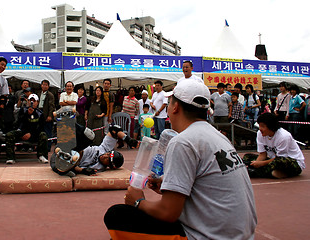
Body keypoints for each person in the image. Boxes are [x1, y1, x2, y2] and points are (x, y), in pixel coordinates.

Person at [104, 80, 257, 239]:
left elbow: (168, 212)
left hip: (209, 236)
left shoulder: (182, 141)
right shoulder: (217, 136)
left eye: (169, 104)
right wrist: (166, 183)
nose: (168, 109)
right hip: (241, 234)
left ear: (175, 107)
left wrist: (138, 202)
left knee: (117, 215)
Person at [51, 124, 138, 177]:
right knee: (90, 136)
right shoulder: (105, 148)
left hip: (63, 162)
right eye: (108, 154)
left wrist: (83, 171)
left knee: (76, 158)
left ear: (109, 166)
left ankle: (62, 159)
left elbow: (78, 168)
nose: (105, 155)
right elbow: (113, 129)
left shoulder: (98, 167)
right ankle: (70, 123)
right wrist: (128, 139)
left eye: (107, 159)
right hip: (70, 147)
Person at [243, 113, 305, 178]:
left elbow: (280, 158)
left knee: (279, 162)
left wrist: (261, 164)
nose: (260, 129)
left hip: (291, 162)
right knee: (247, 157)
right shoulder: (259, 134)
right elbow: (262, 154)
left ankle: (257, 172)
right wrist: (256, 163)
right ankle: (267, 172)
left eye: (263, 126)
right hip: (272, 161)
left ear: (271, 127)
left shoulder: (283, 136)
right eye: (259, 126)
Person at [5, 94, 48, 164]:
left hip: (34, 134)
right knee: (9, 134)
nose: (32, 103)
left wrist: (31, 134)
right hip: (22, 132)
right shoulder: (23, 110)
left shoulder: (40, 114)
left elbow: (41, 128)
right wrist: (27, 114)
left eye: (34, 101)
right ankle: (10, 158)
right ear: (27, 101)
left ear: (37, 102)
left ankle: (42, 155)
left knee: (43, 135)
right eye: (30, 101)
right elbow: (19, 123)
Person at [37, 80, 55, 150]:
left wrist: (50, 115)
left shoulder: (50, 95)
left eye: (46, 85)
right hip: (39, 113)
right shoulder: (38, 93)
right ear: (41, 85)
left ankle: (48, 147)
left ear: (48, 86)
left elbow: (51, 106)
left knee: (48, 131)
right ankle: (40, 146)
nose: (44, 86)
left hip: (47, 113)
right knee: (40, 130)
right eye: (43, 85)